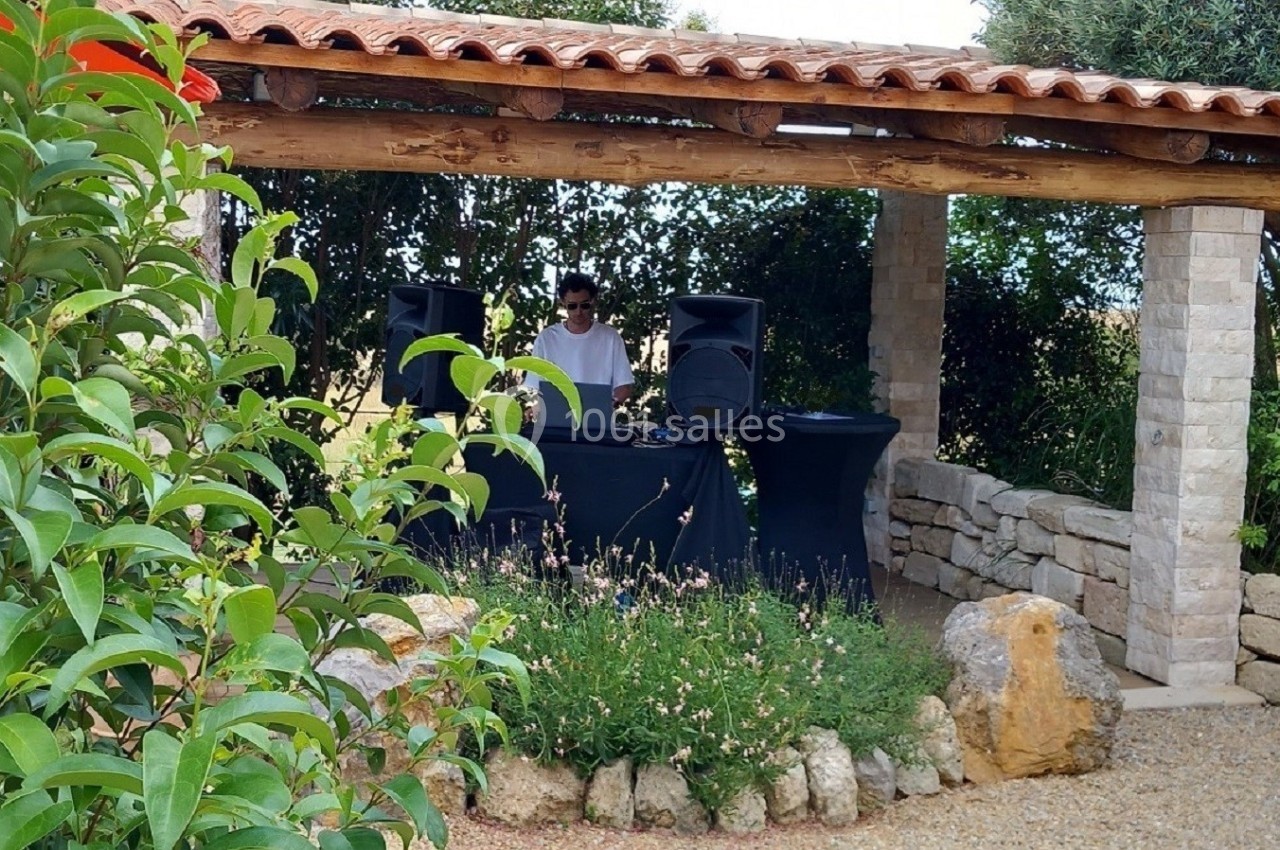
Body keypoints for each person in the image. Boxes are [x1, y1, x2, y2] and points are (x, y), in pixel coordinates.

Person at [524, 271, 634, 406]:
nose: (578, 311)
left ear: (592, 301)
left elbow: (624, 386)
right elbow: (533, 386)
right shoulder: (546, 339)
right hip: (554, 418)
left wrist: (608, 406)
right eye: (572, 306)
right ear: (563, 303)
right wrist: (534, 407)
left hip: (597, 418)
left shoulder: (611, 338)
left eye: (584, 305)